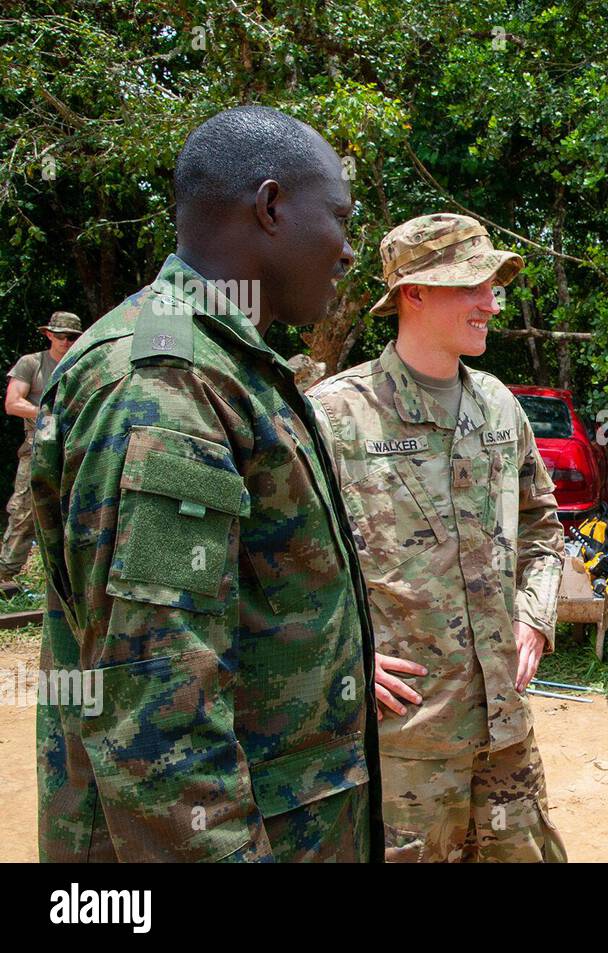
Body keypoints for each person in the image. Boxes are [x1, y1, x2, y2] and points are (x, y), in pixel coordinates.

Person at [31, 105, 383, 862]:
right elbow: (156, 710)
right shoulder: (164, 381)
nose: (348, 250)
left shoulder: (226, 368)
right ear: (270, 206)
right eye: (340, 218)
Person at [310, 213, 567, 862]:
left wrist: (534, 618)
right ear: (412, 293)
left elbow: (542, 529)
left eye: (492, 285)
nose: (490, 301)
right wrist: (341, 661)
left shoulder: (499, 408)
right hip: (404, 751)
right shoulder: (335, 416)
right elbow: (281, 570)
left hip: (505, 734)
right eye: (469, 285)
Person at [0, 312, 81, 592]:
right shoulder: (32, 364)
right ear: (48, 335)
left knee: (75, 511)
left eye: (72, 337)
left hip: (75, 446)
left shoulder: (82, 366)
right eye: (60, 336)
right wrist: (49, 416)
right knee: (24, 511)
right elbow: (13, 403)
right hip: (39, 446)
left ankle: (68, 581)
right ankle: (5, 576)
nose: (66, 342)